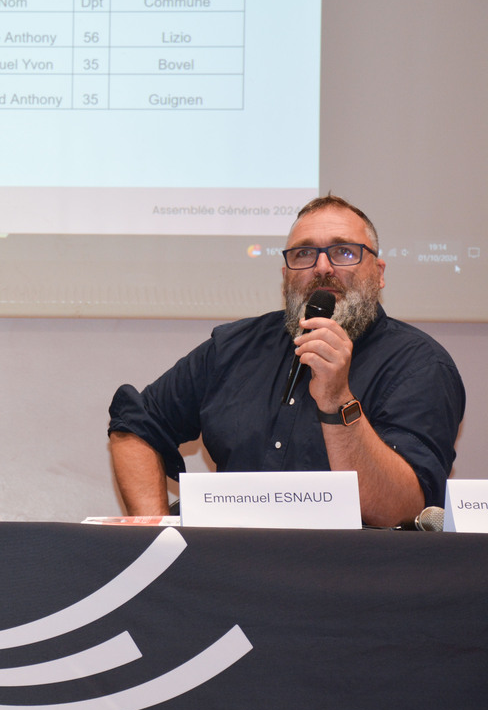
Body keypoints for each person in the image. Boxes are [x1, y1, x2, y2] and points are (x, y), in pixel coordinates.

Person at [108, 195, 464, 528]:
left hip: (345, 580)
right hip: (226, 572)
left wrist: (338, 400)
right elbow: (137, 422)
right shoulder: (234, 348)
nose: (322, 267)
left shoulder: (420, 365)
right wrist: (155, 538)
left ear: (379, 272)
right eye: (304, 254)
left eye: (343, 251)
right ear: (285, 277)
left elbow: (404, 507)